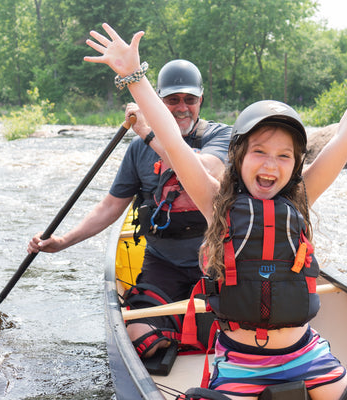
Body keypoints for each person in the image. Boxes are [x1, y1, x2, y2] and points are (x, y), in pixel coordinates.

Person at [84, 9, 347, 400]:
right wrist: (135, 78)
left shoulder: (302, 195)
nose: (270, 164)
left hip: (306, 356)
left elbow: (346, 135)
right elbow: (173, 140)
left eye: (283, 156)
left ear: (295, 165)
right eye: (259, 151)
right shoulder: (215, 202)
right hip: (242, 361)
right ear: (238, 157)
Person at [27, 59, 232, 359]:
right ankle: (179, 332)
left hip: (217, 261)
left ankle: (194, 331)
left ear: (201, 100)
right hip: (163, 264)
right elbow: (110, 206)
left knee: (239, 333)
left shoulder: (220, 137)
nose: (182, 107)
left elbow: (205, 171)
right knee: (141, 341)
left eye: (190, 99)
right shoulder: (137, 151)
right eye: (172, 100)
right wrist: (62, 242)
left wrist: (150, 134)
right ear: (159, 101)